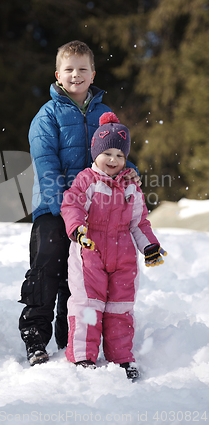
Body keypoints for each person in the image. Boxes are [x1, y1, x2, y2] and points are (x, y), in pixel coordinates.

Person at [18, 40, 139, 366]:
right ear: (58, 74)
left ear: (93, 73)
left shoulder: (104, 115)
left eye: (82, 69)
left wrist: (132, 174)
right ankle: (35, 336)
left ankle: (68, 333)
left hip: (97, 212)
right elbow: (46, 165)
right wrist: (65, 209)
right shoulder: (47, 116)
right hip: (54, 206)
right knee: (48, 264)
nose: (76, 75)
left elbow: (118, 156)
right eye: (69, 69)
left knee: (84, 274)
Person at [60, 111, 166, 380]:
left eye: (120, 155)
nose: (114, 160)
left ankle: (121, 357)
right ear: (95, 152)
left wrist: (150, 247)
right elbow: (71, 204)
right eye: (108, 154)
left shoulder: (132, 187)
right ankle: (84, 356)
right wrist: (77, 229)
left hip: (124, 256)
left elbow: (139, 223)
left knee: (120, 307)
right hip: (90, 252)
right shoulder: (87, 180)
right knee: (89, 305)